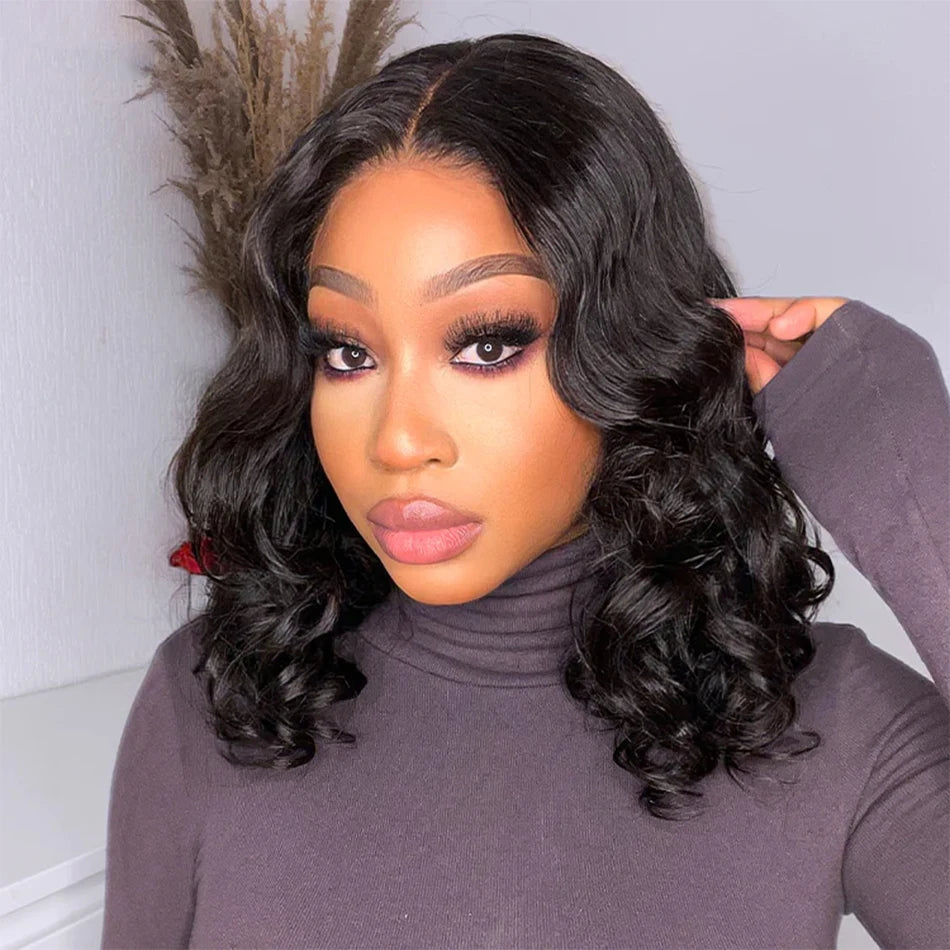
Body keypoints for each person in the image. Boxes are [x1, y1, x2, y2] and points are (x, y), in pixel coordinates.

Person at [101, 31, 949, 949]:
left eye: (487, 344)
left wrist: (915, 474)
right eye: (347, 352)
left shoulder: (837, 725)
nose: (398, 440)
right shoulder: (211, 698)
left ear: (628, 351)